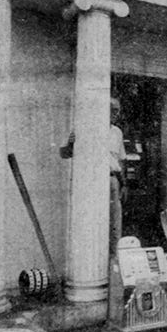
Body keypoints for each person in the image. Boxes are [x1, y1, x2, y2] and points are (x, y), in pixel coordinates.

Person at [60, 97, 127, 255]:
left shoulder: (117, 132)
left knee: (115, 224)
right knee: (92, 222)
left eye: (118, 110)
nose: (116, 114)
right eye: (112, 110)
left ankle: (113, 263)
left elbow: (121, 160)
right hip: (92, 181)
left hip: (112, 181)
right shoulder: (84, 128)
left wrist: (124, 184)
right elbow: (64, 154)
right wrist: (71, 144)